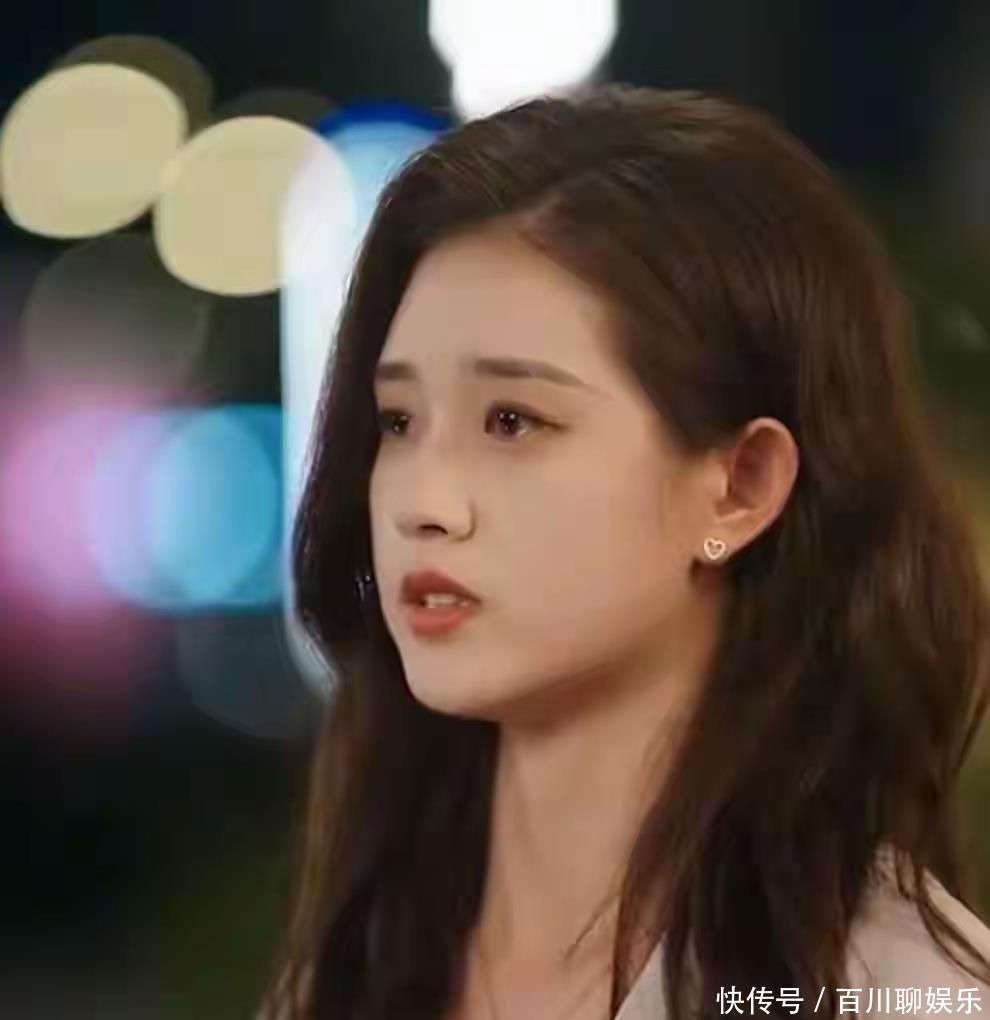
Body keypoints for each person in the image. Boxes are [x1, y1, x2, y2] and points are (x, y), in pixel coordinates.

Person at [260, 84, 990, 1019]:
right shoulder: (348, 966)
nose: (421, 504)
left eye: (512, 420)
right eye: (398, 420)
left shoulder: (887, 994)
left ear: (741, 484)